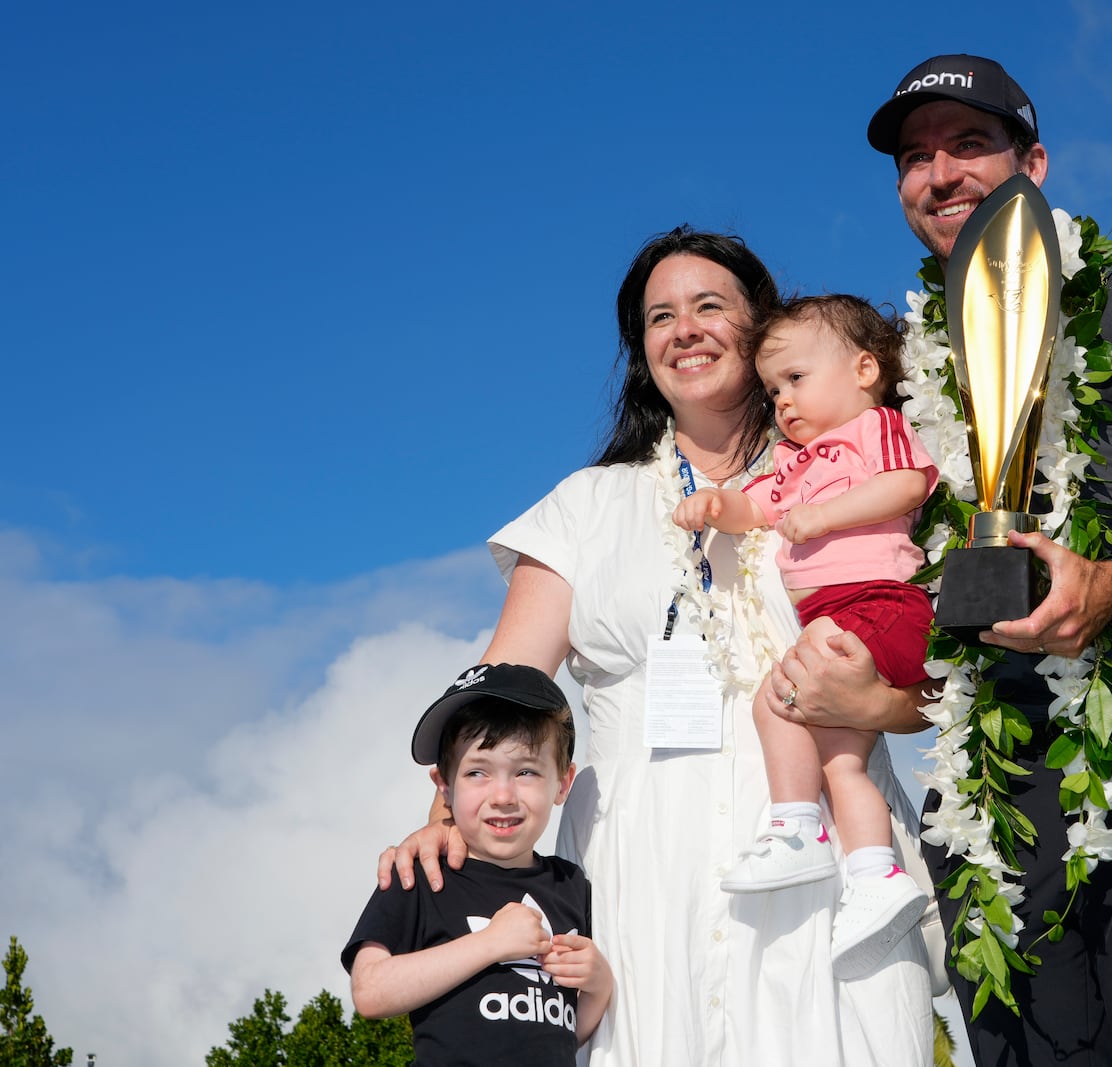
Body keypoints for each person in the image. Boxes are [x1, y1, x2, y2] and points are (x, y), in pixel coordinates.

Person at [765, 55, 1112, 1065]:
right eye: (915, 159)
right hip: (982, 792)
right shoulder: (898, 370)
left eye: (970, 145)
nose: (940, 175)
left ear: (1035, 162)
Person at [376, 228, 934, 1066]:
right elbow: (510, 695)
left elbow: (940, 677)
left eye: (712, 305)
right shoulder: (586, 506)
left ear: (764, 329)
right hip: (638, 870)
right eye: (659, 316)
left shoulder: (863, 478)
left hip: (827, 853)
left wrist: (882, 706)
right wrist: (442, 822)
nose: (685, 329)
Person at [672, 294, 938, 979]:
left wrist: (824, 517)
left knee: (776, 698)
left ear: (863, 369)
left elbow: (908, 484)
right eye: (772, 389)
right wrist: (715, 504)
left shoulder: (870, 428)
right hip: (843, 618)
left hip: (878, 601)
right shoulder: (789, 461)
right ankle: (876, 876)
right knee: (841, 760)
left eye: (796, 378)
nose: (782, 400)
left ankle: (795, 827)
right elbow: (752, 507)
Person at [344, 663, 613, 1065]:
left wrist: (599, 985)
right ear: (445, 787)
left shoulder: (571, 885)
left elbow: (564, 1037)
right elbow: (370, 991)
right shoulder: (421, 874)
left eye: (526, 771)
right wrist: (488, 944)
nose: (503, 795)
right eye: (477, 772)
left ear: (562, 782)